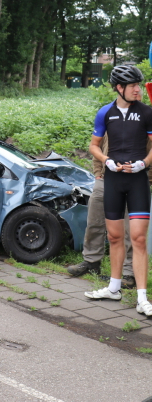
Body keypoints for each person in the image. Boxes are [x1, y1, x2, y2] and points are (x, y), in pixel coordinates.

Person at [84, 65, 152, 316]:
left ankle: (143, 298)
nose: (139, 89)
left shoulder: (146, 112)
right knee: (114, 238)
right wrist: (106, 160)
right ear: (119, 88)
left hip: (137, 181)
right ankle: (113, 288)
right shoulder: (105, 113)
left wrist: (143, 163)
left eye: (139, 84)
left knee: (139, 238)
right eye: (133, 85)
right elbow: (93, 145)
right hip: (113, 179)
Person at [66, 132, 147, 289]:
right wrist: (98, 174)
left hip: (133, 182)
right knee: (94, 222)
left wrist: (146, 179)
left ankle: (129, 274)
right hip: (105, 180)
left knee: (130, 231)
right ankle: (91, 262)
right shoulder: (109, 119)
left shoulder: (142, 122)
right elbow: (96, 147)